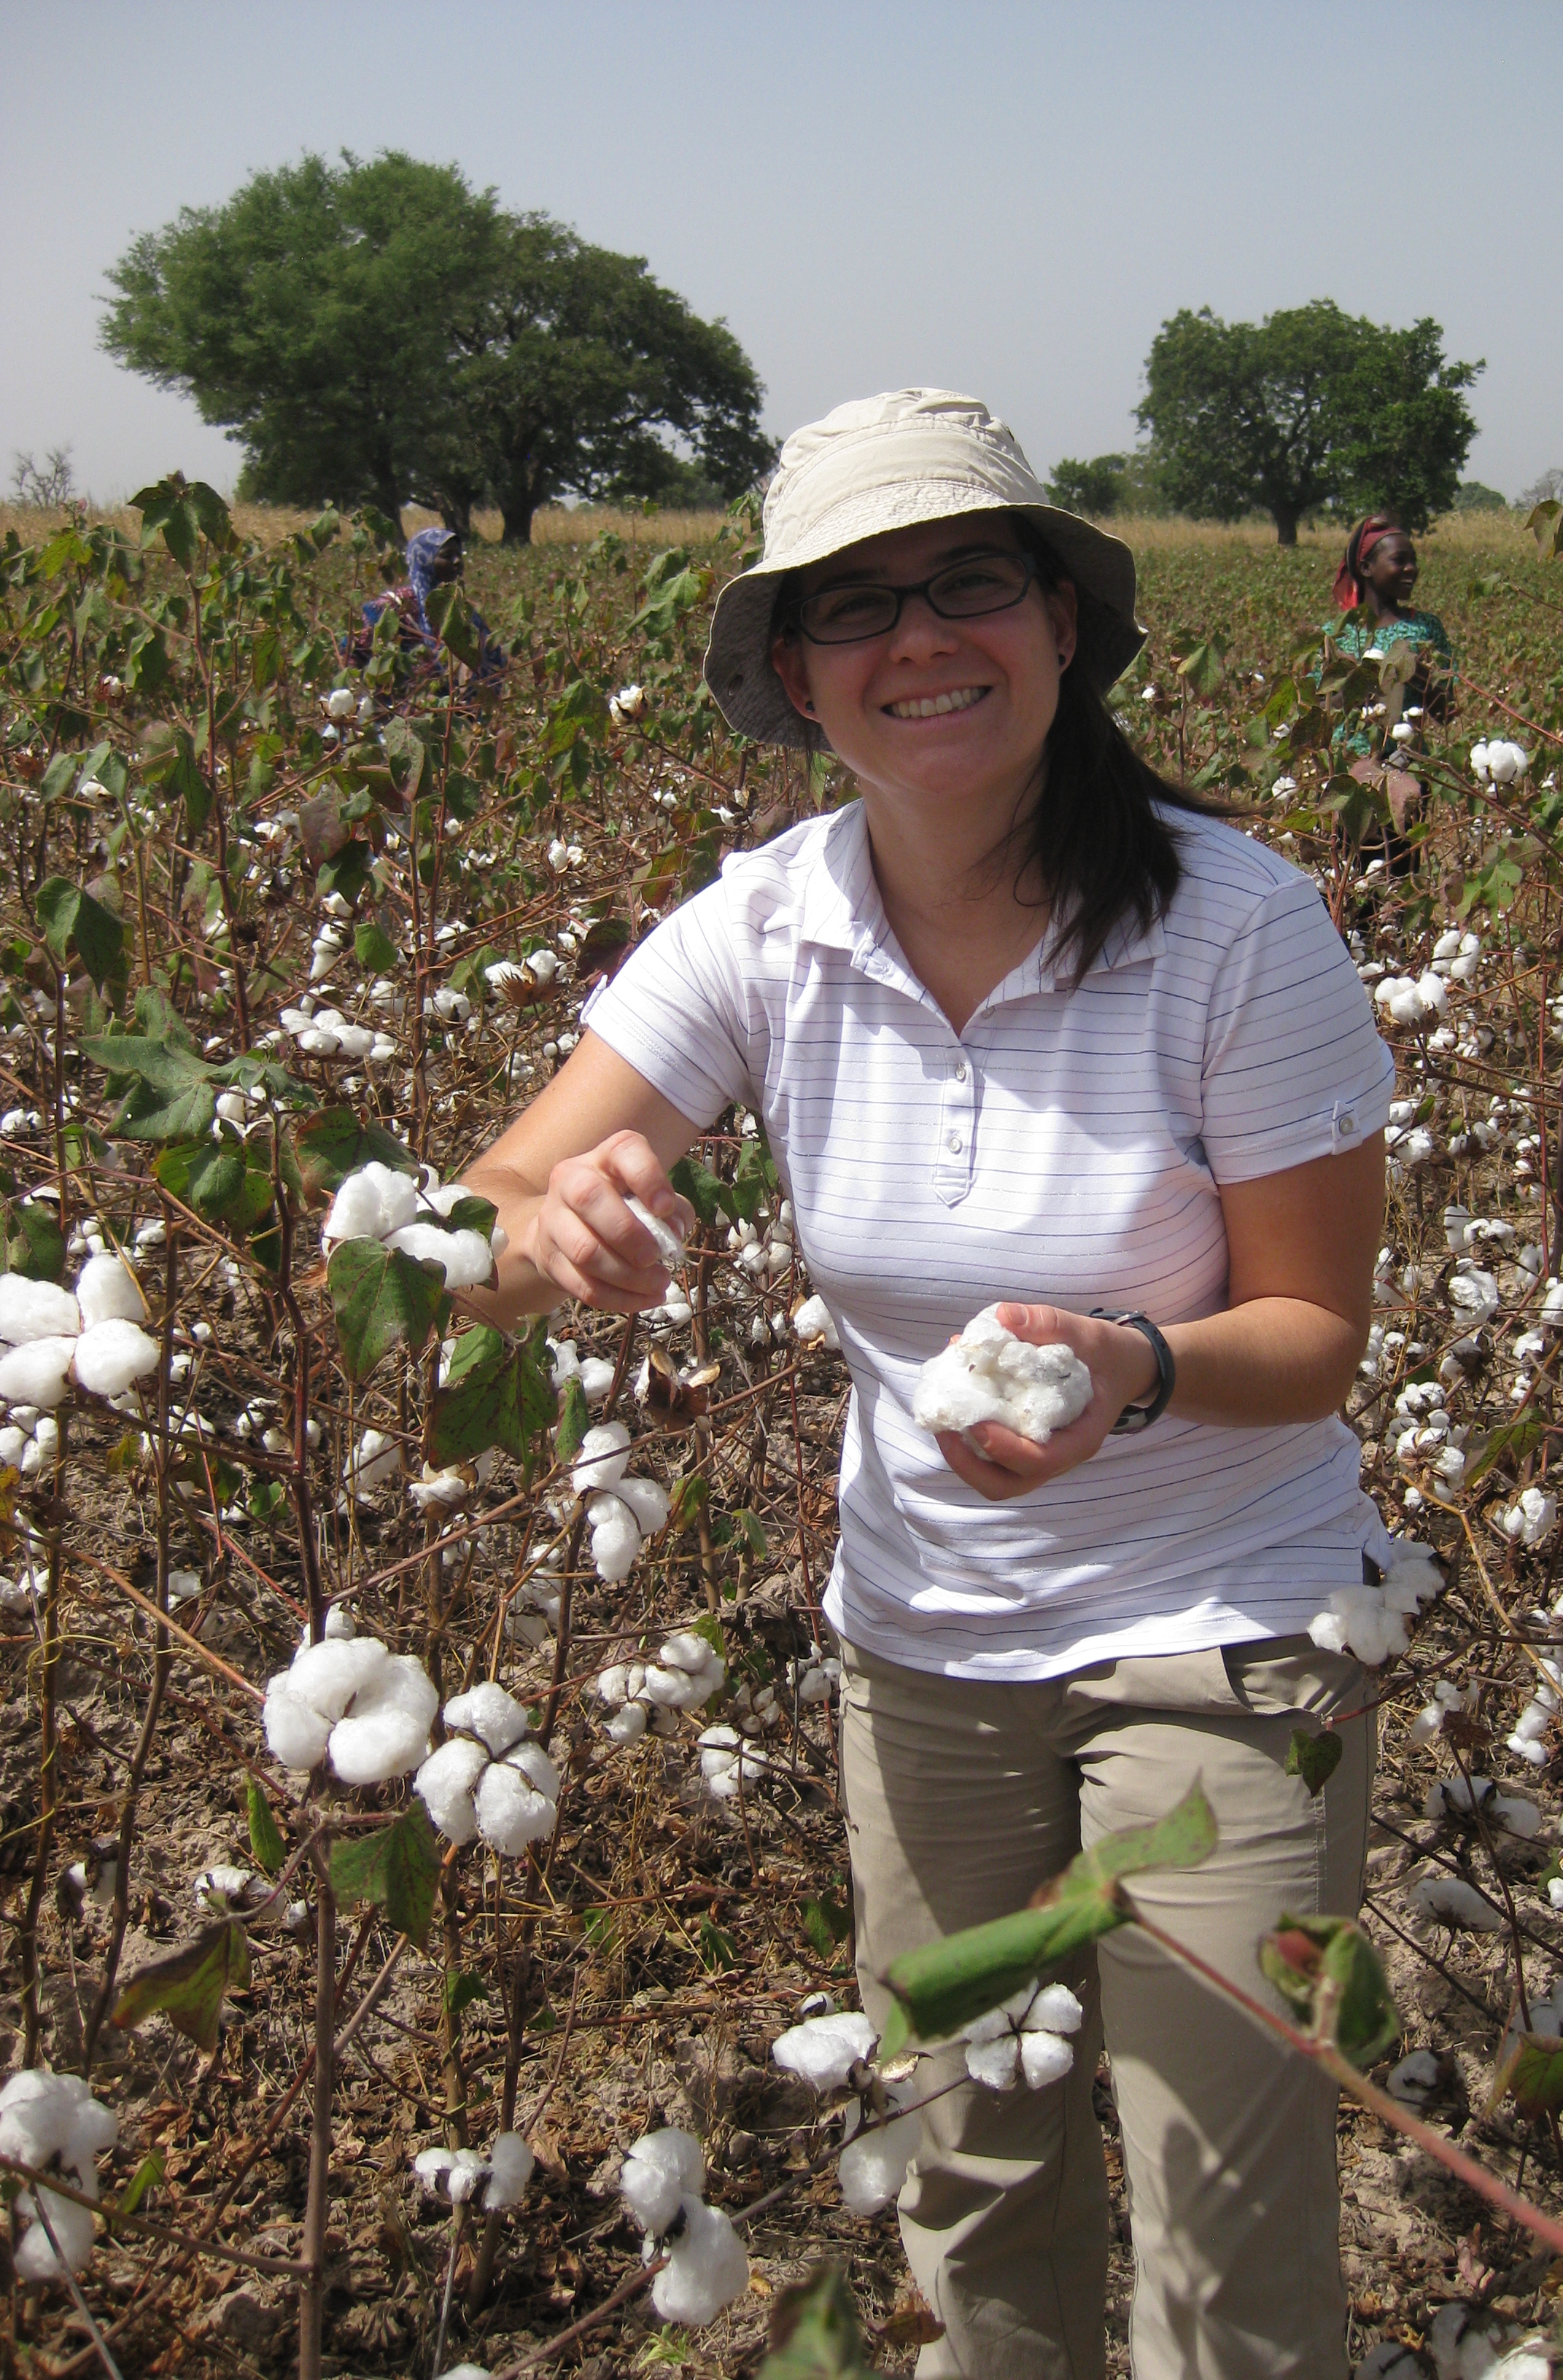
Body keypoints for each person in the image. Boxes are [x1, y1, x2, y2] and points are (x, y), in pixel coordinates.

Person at [462, 390, 1397, 2380]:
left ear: (1063, 622)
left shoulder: (1242, 926)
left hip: (1221, 1638)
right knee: (972, 2166)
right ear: (795, 679)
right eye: (851, 604)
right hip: (925, 1653)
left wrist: (1127, 1369)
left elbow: (1312, 1340)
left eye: (970, 580)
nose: (919, 639)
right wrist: (550, 1237)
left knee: (1226, 2235)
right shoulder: (766, 927)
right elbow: (467, 1222)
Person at [1323, 514, 1454, 879]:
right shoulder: (1337, 636)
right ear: (1365, 567)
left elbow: (1448, 708)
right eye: (1400, 560)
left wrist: (1414, 669)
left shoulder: (1425, 629)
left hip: (1406, 771)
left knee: (1401, 876)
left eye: (1414, 560)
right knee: (1352, 878)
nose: (1411, 569)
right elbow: (1322, 708)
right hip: (1350, 776)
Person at [344, 525, 505, 686]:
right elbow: (353, 651)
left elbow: (493, 657)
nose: (457, 562)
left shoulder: (461, 608)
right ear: (423, 560)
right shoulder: (395, 606)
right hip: (404, 706)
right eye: (447, 556)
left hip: (461, 707)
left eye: (458, 555)